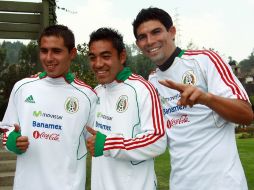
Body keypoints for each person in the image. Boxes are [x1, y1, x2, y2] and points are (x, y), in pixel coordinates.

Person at [132, 7, 253, 190]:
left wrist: (206, 99)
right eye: (142, 37)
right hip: (180, 184)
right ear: (138, 44)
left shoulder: (205, 60)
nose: (150, 41)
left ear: (172, 32)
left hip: (224, 184)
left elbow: (246, 114)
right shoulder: (153, 82)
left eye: (156, 32)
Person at [1, 25, 97, 190]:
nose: (49, 57)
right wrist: (11, 140)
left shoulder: (88, 96)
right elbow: (7, 129)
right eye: (44, 51)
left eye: (56, 51)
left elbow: (98, 141)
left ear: (72, 53)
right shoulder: (22, 87)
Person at [86, 27, 166, 190]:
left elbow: (158, 140)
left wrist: (109, 144)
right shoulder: (96, 93)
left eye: (106, 56)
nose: (98, 64)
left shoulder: (142, 89)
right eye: (93, 58)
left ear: (122, 56)